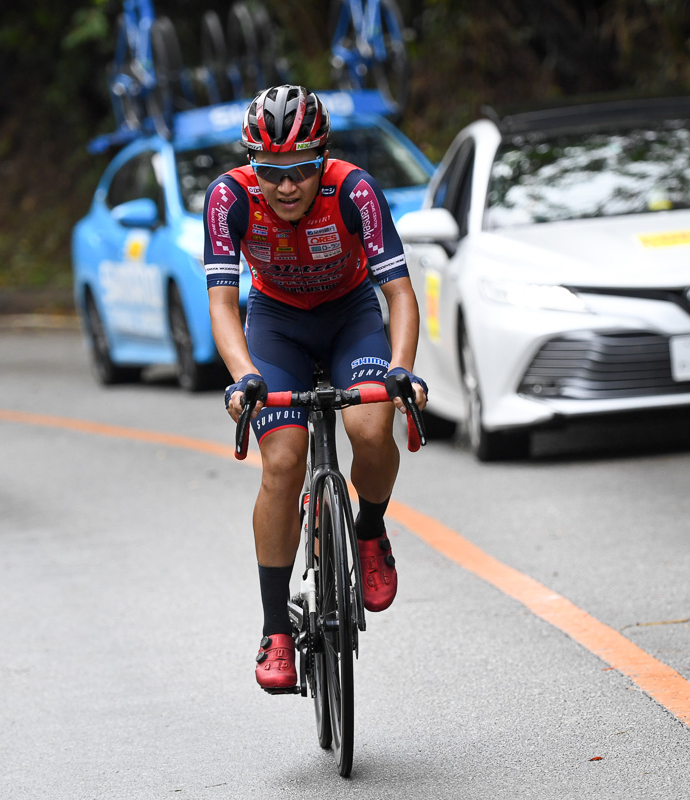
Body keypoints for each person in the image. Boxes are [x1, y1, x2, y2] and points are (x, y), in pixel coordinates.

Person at [203, 85, 428, 692]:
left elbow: (399, 294)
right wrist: (244, 376)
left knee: (369, 425)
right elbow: (223, 303)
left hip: (351, 316)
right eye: (271, 171)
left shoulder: (354, 189)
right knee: (282, 460)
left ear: (322, 158)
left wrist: (401, 370)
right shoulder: (228, 197)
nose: (285, 187)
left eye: (301, 170)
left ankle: (371, 528)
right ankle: (276, 629)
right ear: (253, 163)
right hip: (277, 326)